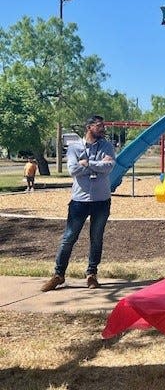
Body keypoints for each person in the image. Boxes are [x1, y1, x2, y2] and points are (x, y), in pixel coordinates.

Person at [41, 115, 116, 291]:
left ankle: (91, 275)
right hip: (79, 201)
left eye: (103, 125)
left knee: (96, 239)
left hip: (101, 201)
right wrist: (98, 165)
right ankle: (58, 275)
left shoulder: (107, 146)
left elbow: (110, 167)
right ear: (89, 127)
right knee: (68, 238)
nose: (103, 128)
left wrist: (88, 163)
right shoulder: (74, 147)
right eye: (99, 126)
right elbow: (73, 169)